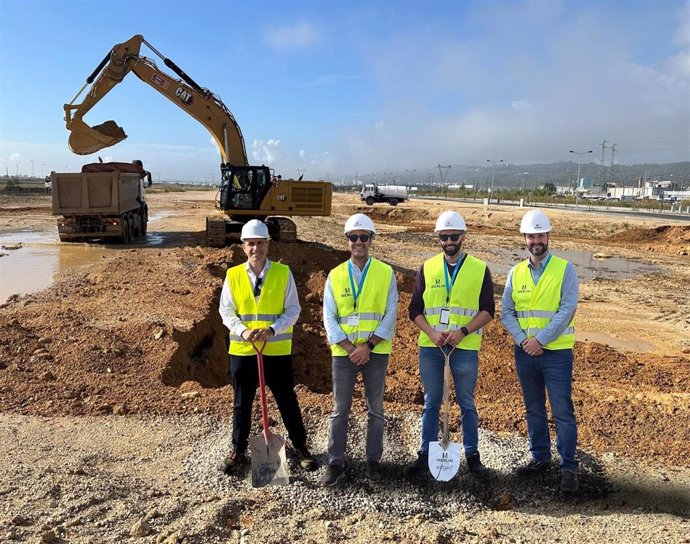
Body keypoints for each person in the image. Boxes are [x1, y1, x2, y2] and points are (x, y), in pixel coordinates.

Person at [218, 219, 316, 475]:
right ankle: (238, 450)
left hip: (275, 351)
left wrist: (272, 330)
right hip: (243, 351)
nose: (255, 248)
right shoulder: (233, 275)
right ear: (243, 247)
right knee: (242, 402)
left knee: (286, 399)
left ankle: (301, 446)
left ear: (268, 245)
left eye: (260, 243)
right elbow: (226, 311)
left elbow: (293, 309)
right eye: (251, 243)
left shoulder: (283, 274)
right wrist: (244, 331)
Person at [403, 210, 495, 480]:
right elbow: (414, 310)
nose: (449, 241)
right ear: (439, 239)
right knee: (431, 401)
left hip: (463, 348)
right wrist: (431, 333)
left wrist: (463, 331)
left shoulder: (479, 269)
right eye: (444, 237)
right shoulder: (427, 267)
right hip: (432, 348)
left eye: (453, 236)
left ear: (463, 237)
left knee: (466, 401)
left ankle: (472, 456)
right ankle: (425, 454)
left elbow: (488, 310)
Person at [501, 209, 579, 493]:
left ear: (548, 236)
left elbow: (566, 310)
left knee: (562, 411)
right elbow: (507, 312)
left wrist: (540, 340)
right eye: (531, 235)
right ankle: (540, 459)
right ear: (525, 238)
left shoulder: (565, 269)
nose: (536, 240)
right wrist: (523, 340)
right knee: (534, 409)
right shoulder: (516, 272)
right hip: (525, 353)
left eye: (540, 234)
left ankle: (569, 467)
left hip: (555, 354)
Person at [321, 213, 398, 486]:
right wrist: (349, 347)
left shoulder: (385, 273)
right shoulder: (335, 275)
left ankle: (373, 462)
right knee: (340, 409)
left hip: (375, 352)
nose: (358, 242)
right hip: (344, 354)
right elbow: (329, 317)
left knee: (375, 409)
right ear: (347, 241)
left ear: (371, 240)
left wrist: (368, 346)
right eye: (353, 237)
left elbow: (391, 313)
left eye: (363, 237)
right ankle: (335, 462)